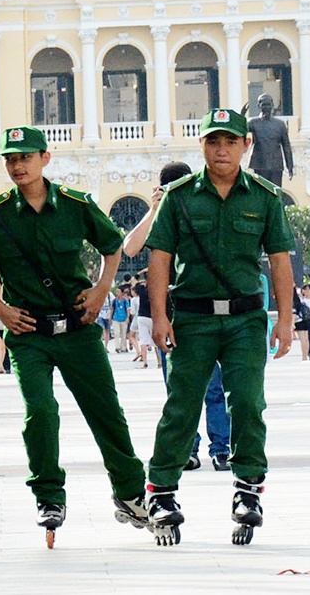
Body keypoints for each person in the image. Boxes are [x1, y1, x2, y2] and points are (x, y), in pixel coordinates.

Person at [0, 125, 151, 543]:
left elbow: (112, 244)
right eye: (10, 159)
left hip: (78, 328)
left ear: (44, 159)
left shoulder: (74, 205)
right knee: (41, 412)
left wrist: (102, 289)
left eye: (25, 157)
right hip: (29, 334)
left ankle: (131, 493)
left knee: (106, 411)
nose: (17, 166)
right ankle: (49, 496)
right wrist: (1, 310)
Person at [142, 108, 296, 546]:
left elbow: (280, 262)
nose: (222, 149)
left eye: (230, 141)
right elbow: (160, 260)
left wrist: (284, 320)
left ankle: (248, 489)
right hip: (193, 317)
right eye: (213, 141)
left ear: (246, 146)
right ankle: (163, 492)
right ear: (203, 147)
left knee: (247, 402)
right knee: (182, 405)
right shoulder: (180, 196)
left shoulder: (264, 197)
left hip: (247, 319)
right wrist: (159, 316)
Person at [124, 160, 231, 472]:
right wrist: (155, 208)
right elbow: (130, 248)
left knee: (213, 387)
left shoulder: (204, 210)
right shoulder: (159, 217)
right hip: (168, 318)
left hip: (204, 313)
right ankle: (189, 449)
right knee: (180, 391)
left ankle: (221, 448)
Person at [247, 94, 294, 187]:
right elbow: (240, 130)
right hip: (259, 164)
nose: (266, 107)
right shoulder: (253, 123)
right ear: (259, 106)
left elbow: (286, 146)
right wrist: (241, 115)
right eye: (264, 104)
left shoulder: (280, 124)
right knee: (260, 193)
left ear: (272, 105)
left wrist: (290, 166)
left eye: (268, 104)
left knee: (275, 194)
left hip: (276, 165)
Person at [292, 286, 310, 361]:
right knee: (306, 338)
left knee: (302, 339)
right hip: (305, 319)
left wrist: (292, 324)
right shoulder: (301, 298)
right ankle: (306, 355)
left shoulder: (294, 301)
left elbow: (294, 312)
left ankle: (304, 356)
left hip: (299, 320)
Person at [111, 288, 130, 353]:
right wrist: (110, 318)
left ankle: (123, 347)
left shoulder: (125, 301)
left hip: (124, 318)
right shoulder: (114, 301)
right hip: (116, 318)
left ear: (122, 293)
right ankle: (117, 347)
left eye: (118, 291)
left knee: (123, 334)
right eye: (116, 291)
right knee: (117, 333)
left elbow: (128, 309)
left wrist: (128, 317)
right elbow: (112, 309)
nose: (117, 293)